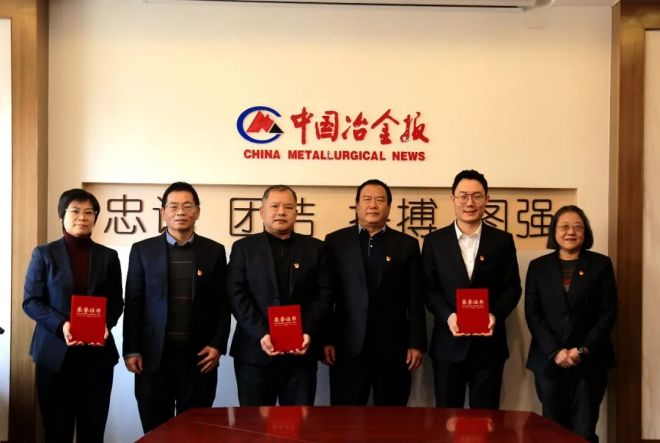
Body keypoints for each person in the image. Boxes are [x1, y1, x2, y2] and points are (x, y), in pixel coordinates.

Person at [123, 181, 230, 433]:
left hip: (199, 359)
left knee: (195, 432)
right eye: (173, 206)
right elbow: (134, 303)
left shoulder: (214, 251)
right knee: (155, 430)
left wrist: (217, 345)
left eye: (187, 206)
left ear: (197, 211)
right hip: (153, 358)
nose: (180, 211)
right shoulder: (142, 251)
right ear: (163, 212)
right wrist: (131, 349)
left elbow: (223, 303)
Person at [23, 188, 123, 442]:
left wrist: (105, 324)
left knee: (93, 431)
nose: (82, 217)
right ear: (62, 215)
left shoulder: (108, 257)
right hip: (54, 356)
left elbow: (116, 302)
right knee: (57, 431)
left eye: (89, 212)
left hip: (97, 357)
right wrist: (63, 325)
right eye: (75, 211)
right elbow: (31, 301)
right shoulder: (44, 254)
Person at [422, 169, 521, 409]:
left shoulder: (502, 241)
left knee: (486, 419)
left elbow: (512, 288)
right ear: (452, 198)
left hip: (489, 348)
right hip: (448, 346)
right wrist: (449, 316)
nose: (470, 203)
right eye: (463, 196)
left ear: (487, 199)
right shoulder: (435, 241)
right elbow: (428, 289)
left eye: (477, 196)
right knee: (447, 419)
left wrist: (494, 315)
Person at [323, 179, 426, 406]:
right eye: (367, 199)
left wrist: (416, 343)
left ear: (389, 207)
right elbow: (327, 297)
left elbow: (415, 298)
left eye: (380, 200)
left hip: (394, 346)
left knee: (391, 416)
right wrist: (326, 339)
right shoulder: (335, 242)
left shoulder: (407, 244)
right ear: (357, 205)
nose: (373, 205)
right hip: (347, 345)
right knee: (345, 414)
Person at [227, 185, 332, 406]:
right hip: (254, 354)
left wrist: (308, 331)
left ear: (296, 212)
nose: (281, 212)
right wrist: (261, 333)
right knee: (253, 423)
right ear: (261, 211)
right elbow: (236, 295)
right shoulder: (243, 248)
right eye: (274, 206)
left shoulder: (316, 248)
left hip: (300, 355)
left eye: (288, 207)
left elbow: (323, 294)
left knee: (298, 422)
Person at [525, 205, 616, 443]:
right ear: (554, 231)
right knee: (553, 430)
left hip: (589, 361)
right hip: (549, 361)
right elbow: (533, 314)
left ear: (585, 232)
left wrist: (582, 350)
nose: (571, 232)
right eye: (564, 226)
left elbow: (608, 313)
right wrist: (555, 351)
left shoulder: (601, 265)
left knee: (584, 431)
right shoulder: (538, 267)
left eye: (578, 227)